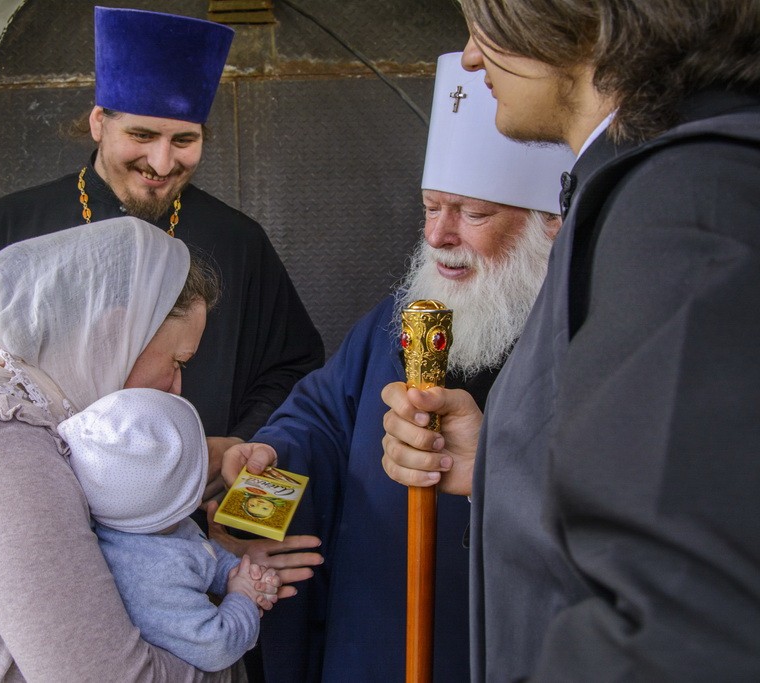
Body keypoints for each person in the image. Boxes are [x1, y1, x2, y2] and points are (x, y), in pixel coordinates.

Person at [382, 1, 760, 679]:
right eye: (431, 209)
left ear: (580, 15)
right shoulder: (652, 184)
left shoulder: (686, 197)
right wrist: (498, 466)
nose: (471, 55)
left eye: (486, 20)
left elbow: (682, 617)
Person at [0, 217, 307, 680]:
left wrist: (212, 469)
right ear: (115, 332)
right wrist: (227, 626)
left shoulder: (2, 385)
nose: (177, 388)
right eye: (178, 362)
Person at [221, 52, 572, 682]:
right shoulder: (400, 318)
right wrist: (254, 499)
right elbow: (317, 422)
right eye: (432, 208)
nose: (438, 236)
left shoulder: (580, 339)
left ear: (548, 224)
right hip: (374, 634)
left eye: (473, 213)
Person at [0, 7, 324, 497]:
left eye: (184, 140)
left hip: (192, 502)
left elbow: (292, 368)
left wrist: (238, 445)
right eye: (142, 135)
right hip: (41, 495)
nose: (161, 163)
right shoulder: (13, 225)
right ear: (99, 122)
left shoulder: (237, 239)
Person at [59, 388, 281, 673]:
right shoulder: (153, 576)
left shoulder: (142, 521)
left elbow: (196, 553)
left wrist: (235, 572)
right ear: (186, 497)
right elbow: (216, 647)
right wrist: (244, 597)